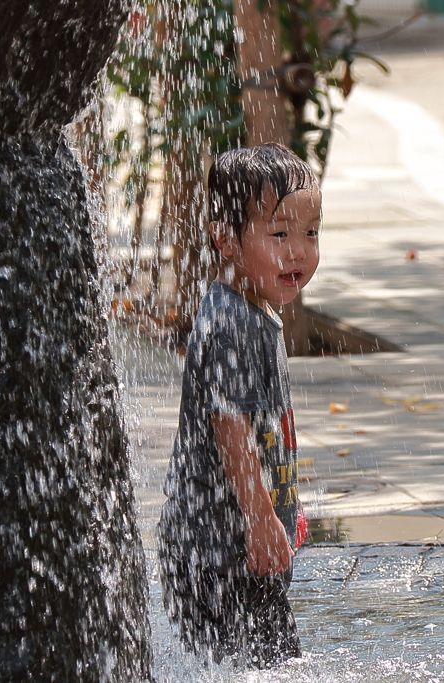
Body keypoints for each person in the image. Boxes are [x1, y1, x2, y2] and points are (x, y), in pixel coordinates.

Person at [157, 143, 320, 669]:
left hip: (232, 545)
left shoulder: (251, 309)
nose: (298, 251)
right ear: (225, 238)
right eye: (279, 235)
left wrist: (281, 508)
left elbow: (261, 425)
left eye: (310, 233)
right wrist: (259, 518)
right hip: (217, 549)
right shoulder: (232, 323)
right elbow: (229, 425)